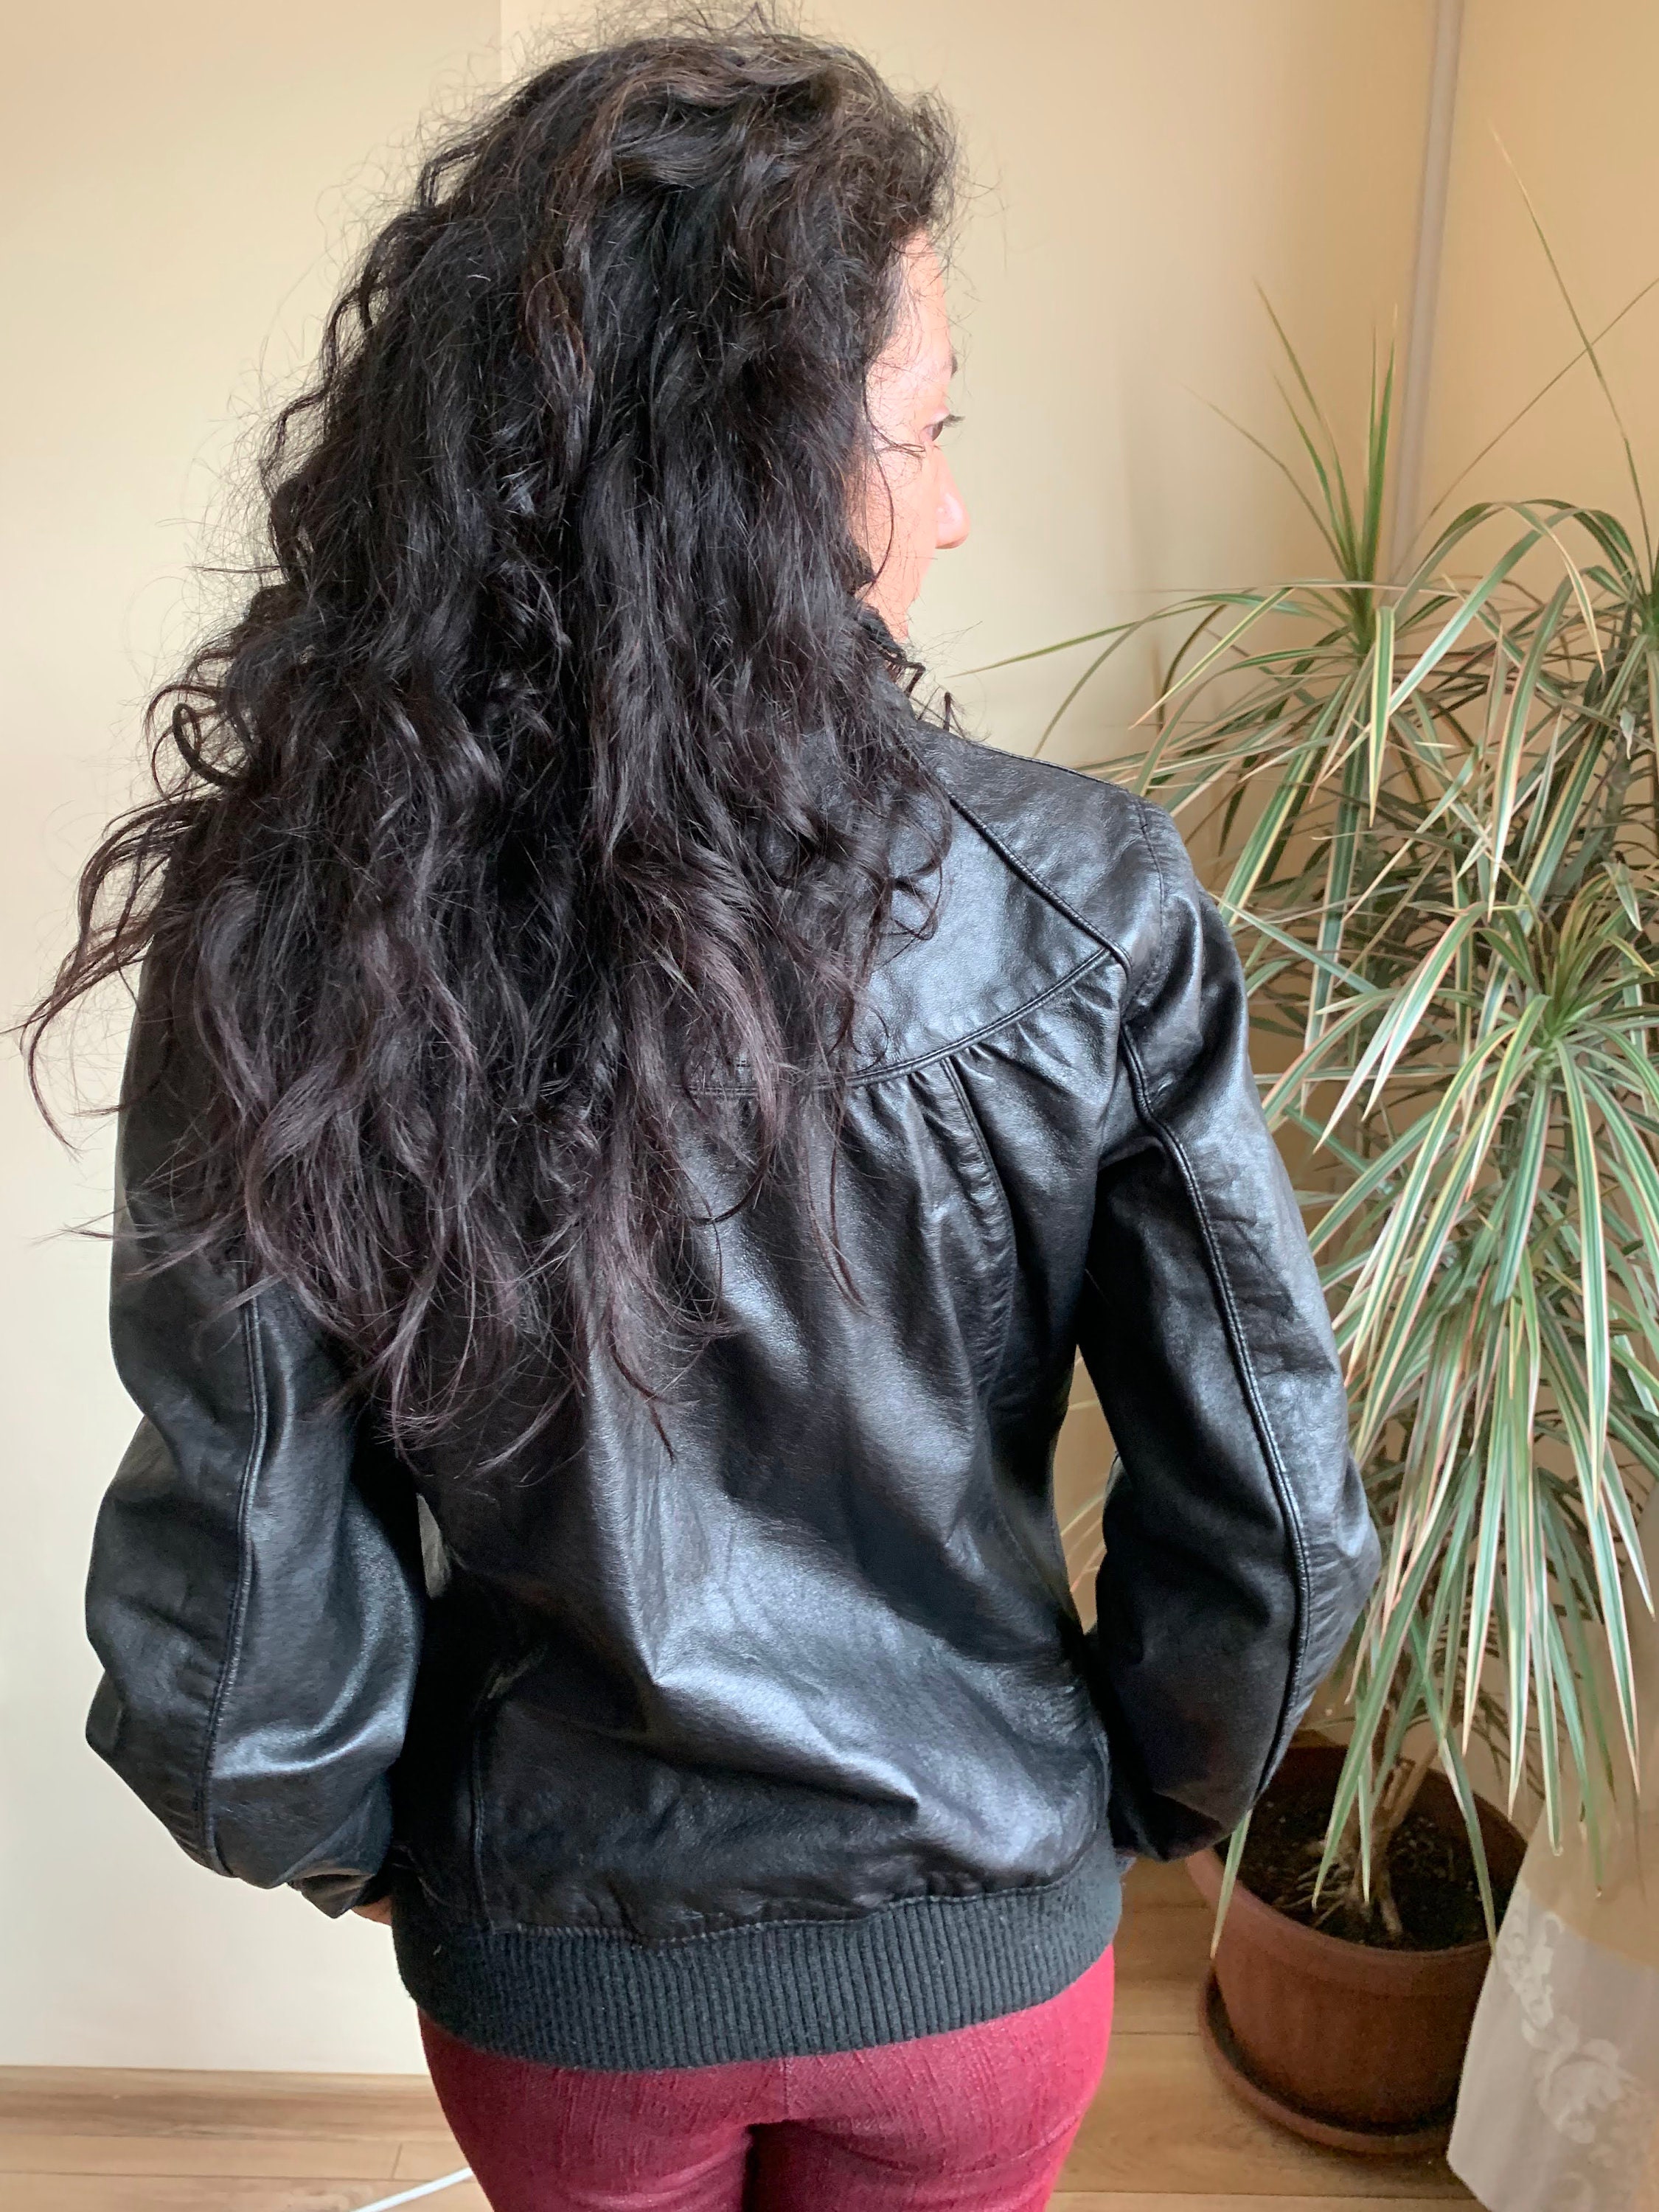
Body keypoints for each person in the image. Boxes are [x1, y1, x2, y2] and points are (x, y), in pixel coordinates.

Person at [24, 22, 1380, 2212]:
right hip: (977, 1954)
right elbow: (1275, 1513)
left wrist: (368, 1844)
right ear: (766, 479)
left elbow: (243, 1544)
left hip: (553, 1971)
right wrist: (1118, 1802)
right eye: (927, 433)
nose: (952, 505)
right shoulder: (1086, 906)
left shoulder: (298, 927)